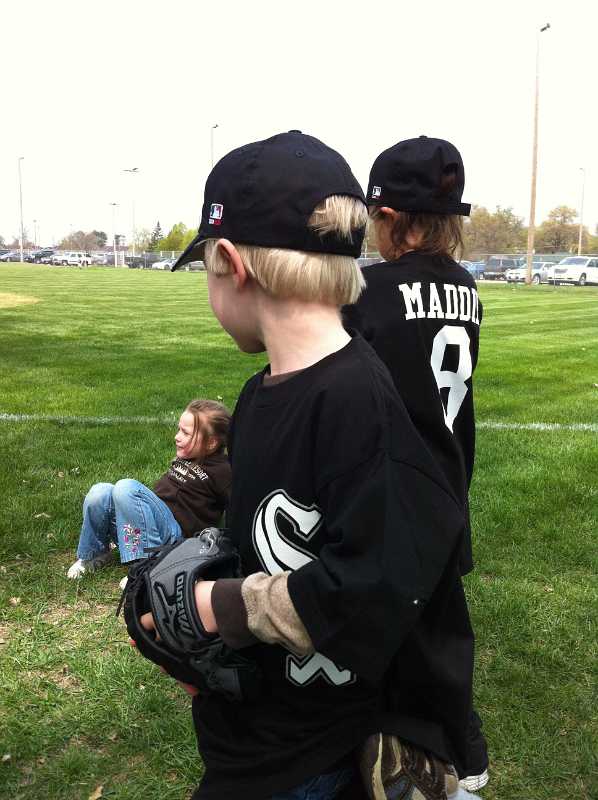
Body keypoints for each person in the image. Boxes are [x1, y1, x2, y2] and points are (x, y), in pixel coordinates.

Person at [139, 131, 480, 800]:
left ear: (230, 263)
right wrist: (206, 639)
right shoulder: (259, 392)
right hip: (264, 725)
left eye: (206, 269)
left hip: (313, 750)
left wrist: (219, 605)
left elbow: (373, 586)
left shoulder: (360, 399)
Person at [343, 136, 488, 791]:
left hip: (395, 484)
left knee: (400, 623)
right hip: (450, 473)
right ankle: (466, 748)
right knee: (442, 616)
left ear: (390, 217)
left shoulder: (368, 290)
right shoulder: (468, 289)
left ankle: (431, 748)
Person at [67, 399, 231, 587]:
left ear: (211, 443)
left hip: (175, 540)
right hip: (148, 529)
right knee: (100, 491)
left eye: (185, 433)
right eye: (179, 429)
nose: (177, 437)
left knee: (126, 488)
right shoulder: (187, 457)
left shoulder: (223, 470)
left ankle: (149, 567)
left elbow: (237, 506)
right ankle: (95, 553)